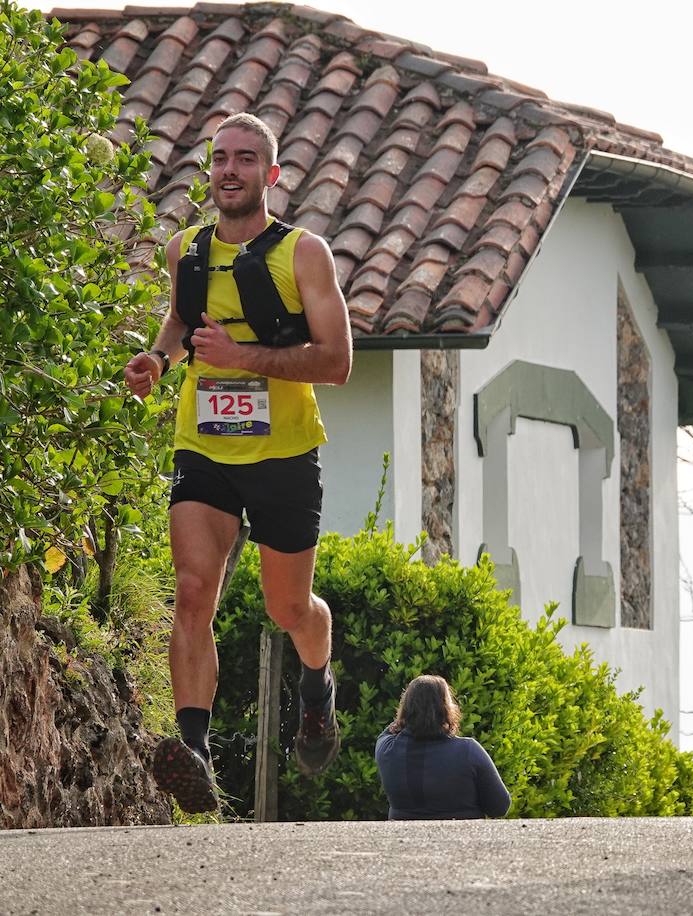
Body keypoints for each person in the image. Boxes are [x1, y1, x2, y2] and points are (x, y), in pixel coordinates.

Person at [122, 112, 352, 813]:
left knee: (290, 607)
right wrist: (159, 359)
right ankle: (194, 751)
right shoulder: (184, 250)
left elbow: (337, 362)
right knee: (194, 591)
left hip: (283, 453)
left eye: (246, 159)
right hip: (204, 445)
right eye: (220, 158)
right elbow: (182, 320)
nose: (229, 170)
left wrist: (243, 358)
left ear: (271, 175)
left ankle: (317, 685)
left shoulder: (303, 254)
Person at [375, 675, 512, 820]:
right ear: (446, 709)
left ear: (406, 708)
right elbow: (500, 806)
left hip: (403, 839)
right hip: (462, 839)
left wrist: (406, 717)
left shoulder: (386, 749)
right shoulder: (468, 750)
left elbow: (391, 729)